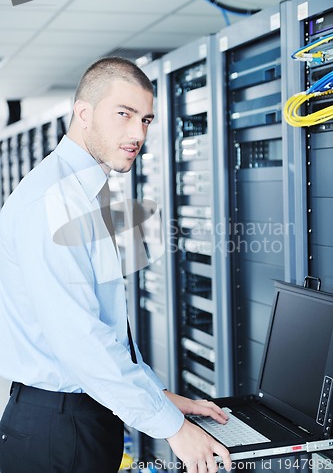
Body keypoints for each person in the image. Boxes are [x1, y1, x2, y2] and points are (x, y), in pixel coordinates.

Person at [0, 57, 231, 473]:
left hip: (78, 417)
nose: (137, 133)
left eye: (146, 119)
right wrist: (173, 429)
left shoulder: (84, 193)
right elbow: (79, 341)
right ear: (84, 113)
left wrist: (158, 395)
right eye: (123, 114)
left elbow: (106, 327)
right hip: (56, 430)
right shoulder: (53, 202)